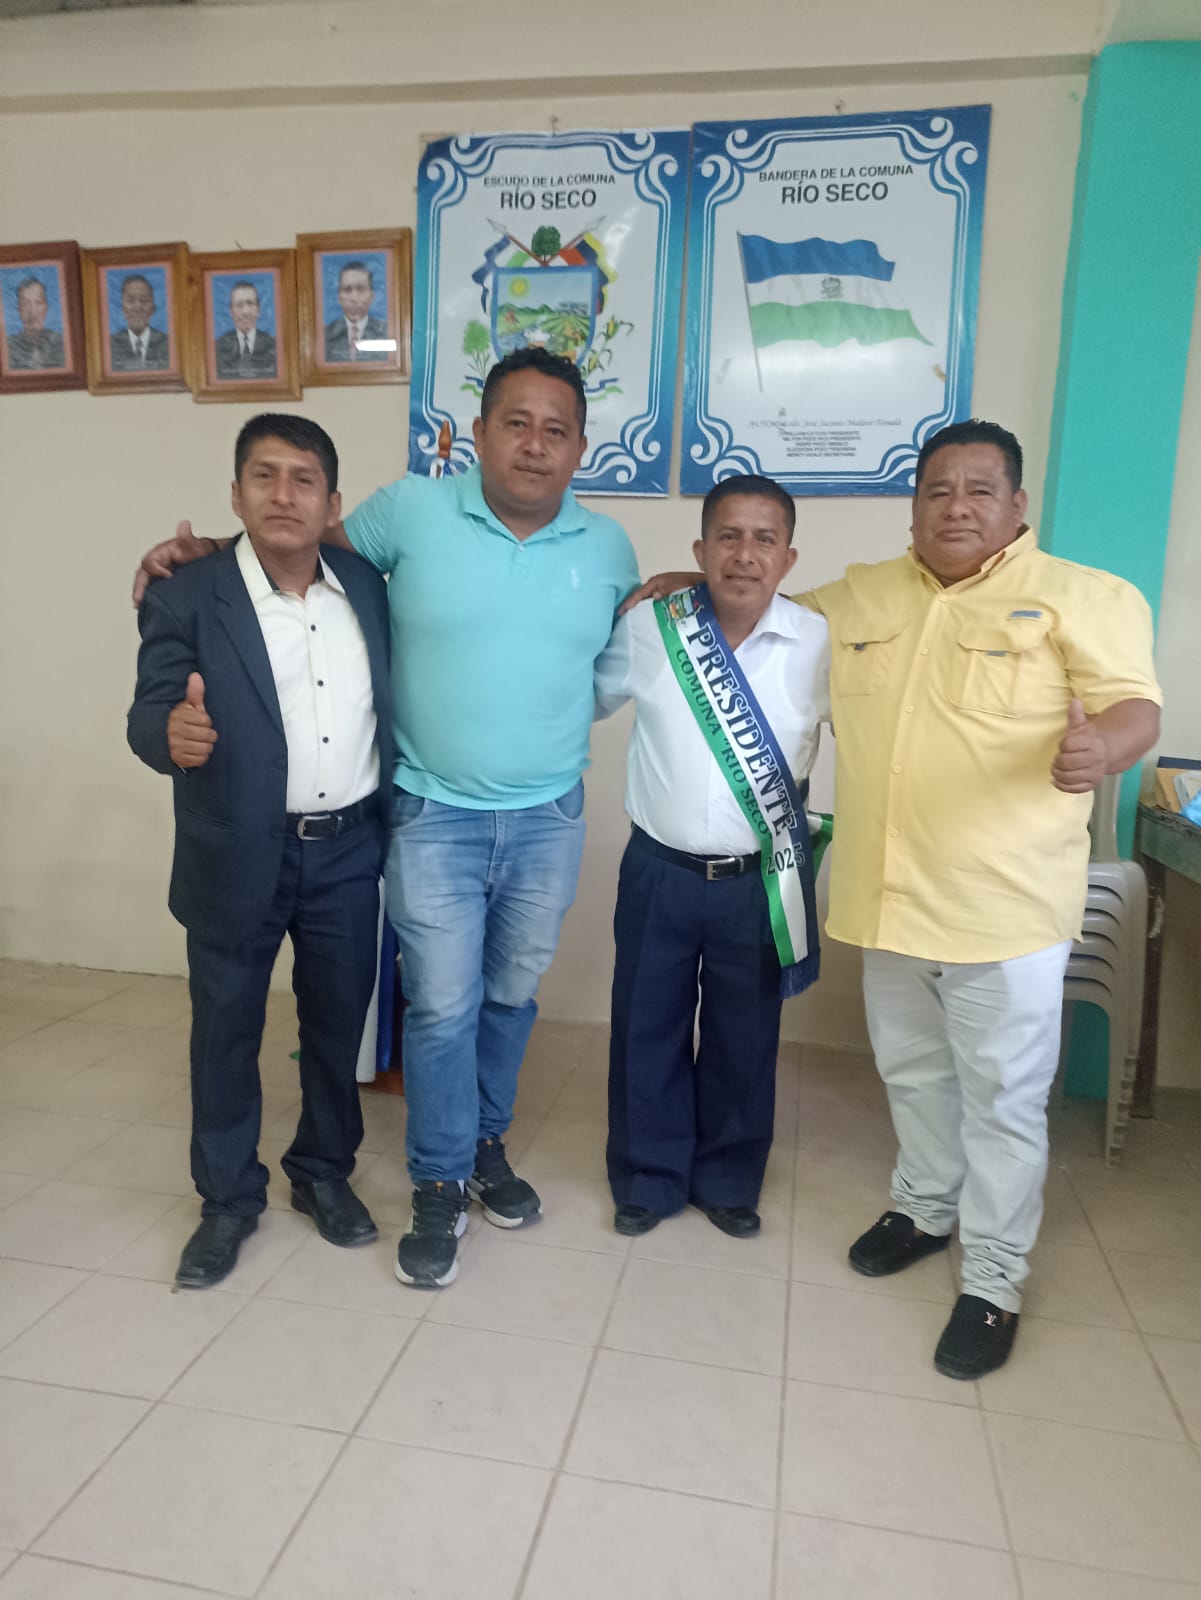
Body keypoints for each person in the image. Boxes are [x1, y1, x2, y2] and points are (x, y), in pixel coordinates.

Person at [630, 419, 1161, 1379]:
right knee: (913, 1077)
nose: (955, 507)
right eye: (936, 490)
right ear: (912, 505)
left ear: (1016, 505)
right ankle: (923, 1208)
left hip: (1006, 912)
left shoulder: (1085, 596)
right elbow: (755, 607)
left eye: (978, 490)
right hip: (891, 902)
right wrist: (689, 580)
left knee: (1002, 1103)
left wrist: (1104, 748)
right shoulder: (860, 596)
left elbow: (1134, 706)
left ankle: (993, 1279)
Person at [131, 348, 640, 1290]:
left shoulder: (606, 549)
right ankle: (413, 1183)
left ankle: (448, 1152)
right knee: (431, 1008)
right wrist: (192, 560)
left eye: (555, 430)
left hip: (525, 820)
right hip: (425, 815)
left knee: (488, 1001)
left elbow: (613, 666)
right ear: (478, 433)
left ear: (579, 448)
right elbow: (286, 549)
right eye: (515, 423)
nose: (534, 445)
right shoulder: (404, 515)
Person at [127, 414, 393, 1289]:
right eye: (265, 476)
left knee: (336, 1024)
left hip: (347, 848)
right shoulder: (186, 593)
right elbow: (148, 712)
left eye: (303, 479)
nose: (284, 495)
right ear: (236, 495)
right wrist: (169, 735)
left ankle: (322, 1173)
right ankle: (227, 1200)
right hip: (235, 850)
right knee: (226, 1029)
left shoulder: (368, 586)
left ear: (332, 503)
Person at [595, 475, 829, 1239]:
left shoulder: (818, 642)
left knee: (744, 1035)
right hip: (657, 871)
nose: (744, 555)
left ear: (788, 558)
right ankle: (649, 1175)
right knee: (645, 1026)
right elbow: (582, 696)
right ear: (699, 551)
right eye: (727, 536)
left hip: (756, 881)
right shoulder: (650, 627)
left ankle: (728, 1176)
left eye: (764, 539)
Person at [323, 260, 389, 362]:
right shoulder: (324, 336)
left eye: (361, 289)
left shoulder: (387, 332)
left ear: (371, 296)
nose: (354, 298)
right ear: (339, 297)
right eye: (347, 289)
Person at [213, 280, 277, 379]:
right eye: (239, 305)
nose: (245, 312)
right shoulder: (217, 348)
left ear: (258, 309)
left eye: (250, 304)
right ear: (231, 312)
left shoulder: (274, 346)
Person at [110, 273, 170, 371]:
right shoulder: (109, 346)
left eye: (144, 300)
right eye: (130, 300)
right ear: (123, 308)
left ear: (153, 308)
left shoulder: (168, 344)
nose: (138, 307)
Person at [5, 277, 65, 370]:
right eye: (25, 303)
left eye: (38, 302)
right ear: (18, 309)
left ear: (46, 308)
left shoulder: (61, 343)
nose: (33, 311)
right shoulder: (8, 346)